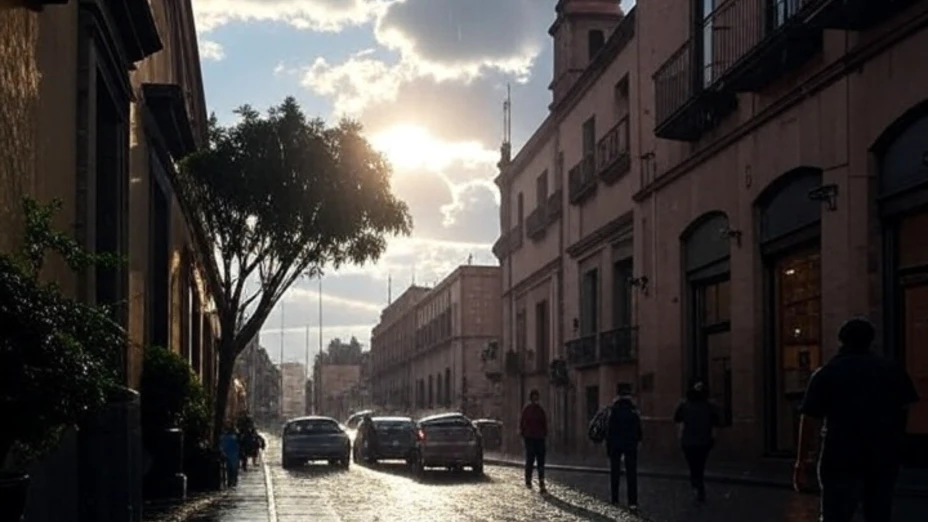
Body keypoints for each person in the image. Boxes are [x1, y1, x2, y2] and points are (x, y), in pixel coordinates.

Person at [794, 317, 919, 522]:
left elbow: (810, 420)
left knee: (836, 513)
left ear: (841, 340)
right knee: (879, 512)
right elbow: (907, 407)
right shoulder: (890, 370)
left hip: (840, 455)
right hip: (882, 455)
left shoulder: (826, 374)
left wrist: (802, 462)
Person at [673, 380, 721, 503]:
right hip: (704, 440)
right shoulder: (709, 406)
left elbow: (677, 419)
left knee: (693, 465)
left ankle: (696, 486)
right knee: (700, 465)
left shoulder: (685, 406)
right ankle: (699, 486)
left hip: (688, 441)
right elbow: (717, 423)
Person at [605, 382, 642, 511]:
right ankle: (632, 501)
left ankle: (615, 498)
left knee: (615, 472)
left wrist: (608, 447)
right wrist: (638, 441)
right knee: (631, 473)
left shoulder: (614, 410)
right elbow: (638, 430)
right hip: (630, 445)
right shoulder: (633, 410)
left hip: (616, 444)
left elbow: (610, 430)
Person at [519, 389, 548, 493]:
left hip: (539, 438)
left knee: (540, 461)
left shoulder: (540, 410)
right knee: (530, 459)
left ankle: (541, 481)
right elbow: (522, 423)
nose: (535, 399)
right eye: (534, 397)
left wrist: (544, 435)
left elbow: (544, 424)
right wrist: (524, 434)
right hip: (530, 438)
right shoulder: (527, 410)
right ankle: (528, 479)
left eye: (537, 397)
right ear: (531, 398)